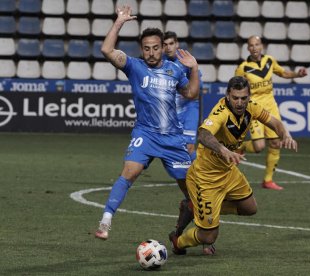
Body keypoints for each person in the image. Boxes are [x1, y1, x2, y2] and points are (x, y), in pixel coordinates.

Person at [94, 5, 200, 240]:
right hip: (146, 134)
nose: (151, 53)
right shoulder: (134, 67)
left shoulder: (175, 70)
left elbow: (191, 94)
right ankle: (105, 221)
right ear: (141, 50)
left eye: (155, 48)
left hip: (173, 139)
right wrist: (119, 22)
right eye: (146, 49)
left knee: (192, 193)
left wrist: (194, 68)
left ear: (163, 48)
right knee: (129, 172)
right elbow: (106, 49)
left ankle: (191, 233)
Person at [169, 76, 298, 255]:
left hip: (228, 172)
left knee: (250, 208)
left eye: (243, 98)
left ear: (249, 96)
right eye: (235, 98)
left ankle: (194, 207)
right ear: (228, 95)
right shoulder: (220, 112)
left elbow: (274, 122)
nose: (239, 102)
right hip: (206, 178)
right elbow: (204, 135)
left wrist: (286, 135)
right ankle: (178, 242)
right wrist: (223, 150)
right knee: (208, 237)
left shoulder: (251, 107)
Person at [235, 35, 307, 190]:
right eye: (251, 45)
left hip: (271, 107)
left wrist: (297, 74)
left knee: (275, 143)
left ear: (262, 46)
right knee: (259, 146)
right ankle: (239, 146)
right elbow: (235, 87)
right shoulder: (243, 67)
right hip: (253, 109)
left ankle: (268, 180)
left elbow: (283, 73)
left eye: (257, 44)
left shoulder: (269, 60)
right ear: (248, 48)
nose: (254, 48)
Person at [163, 31, 202, 163]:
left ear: (177, 44)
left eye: (171, 43)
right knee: (174, 148)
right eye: (165, 44)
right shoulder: (160, 62)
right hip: (173, 112)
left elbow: (196, 87)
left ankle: (201, 176)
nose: (168, 47)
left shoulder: (185, 60)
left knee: (189, 146)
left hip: (189, 108)